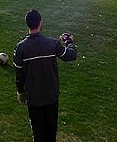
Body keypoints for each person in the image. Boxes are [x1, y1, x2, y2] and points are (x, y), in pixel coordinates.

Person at [14, 9, 77, 142]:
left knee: (38, 135)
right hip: (51, 97)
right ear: (40, 23)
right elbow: (71, 55)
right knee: (50, 134)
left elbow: (19, 76)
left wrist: (20, 92)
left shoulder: (20, 48)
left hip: (34, 99)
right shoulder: (52, 44)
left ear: (27, 24)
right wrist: (69, 42)